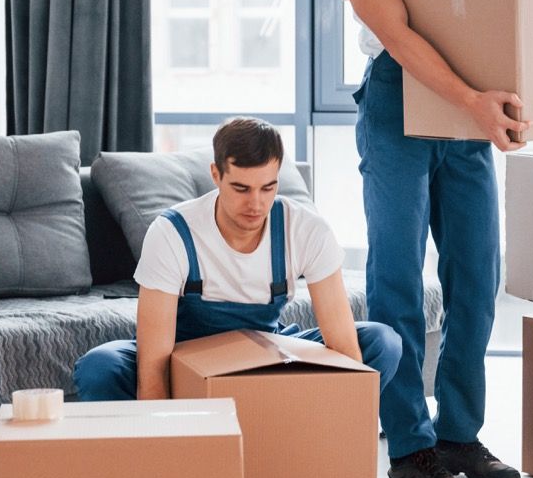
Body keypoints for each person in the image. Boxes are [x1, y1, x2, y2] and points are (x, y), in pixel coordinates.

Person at [327, 0, 527, 478]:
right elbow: (403, 40)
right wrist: (474, 100)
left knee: (477, 275)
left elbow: (505, 4)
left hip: (469, 104)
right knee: (398, 283)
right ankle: (409, 447)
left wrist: (504, 100)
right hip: (396, 107)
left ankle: (460, 434)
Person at [74, 117, 402, 414]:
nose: (256, 204)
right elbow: (153, 364)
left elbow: (343, 347)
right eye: (241, 188)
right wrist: (166, 447)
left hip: (265, 355)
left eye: (268, 188)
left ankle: (300, 438)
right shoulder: (173, 232)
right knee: (100, 367)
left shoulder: (305, 229)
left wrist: (344, 436)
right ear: (216, 175)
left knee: (381, 342)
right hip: (182, 358)